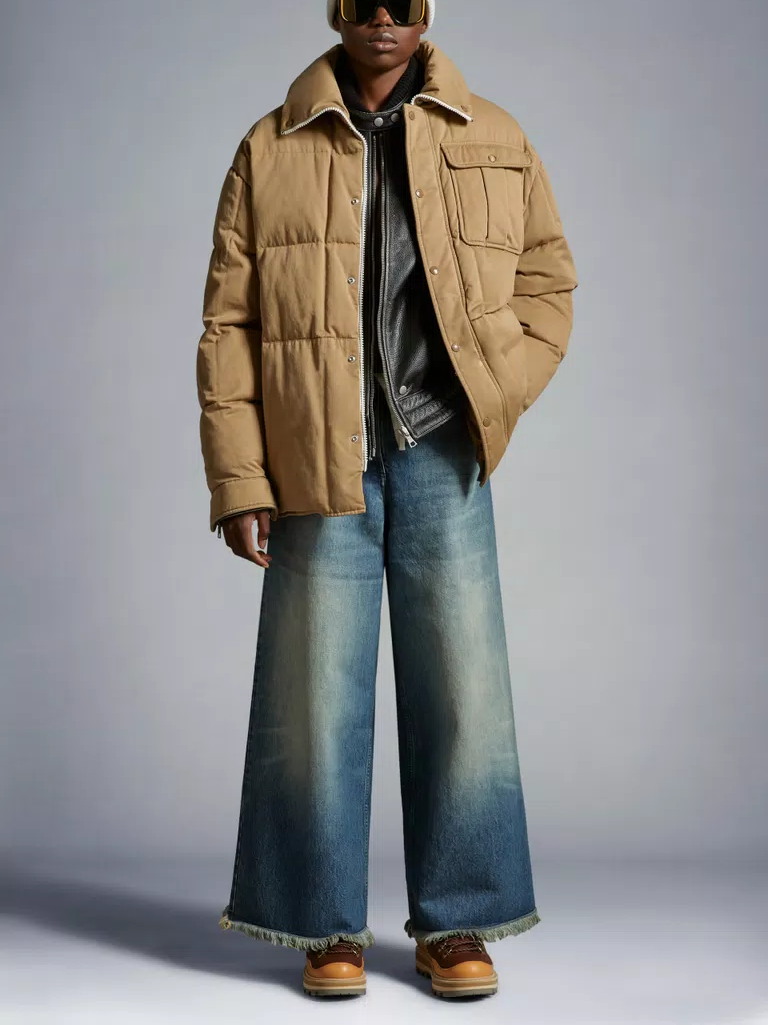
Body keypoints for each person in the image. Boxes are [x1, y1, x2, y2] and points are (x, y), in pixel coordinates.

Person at [196, 0, 577, 1000]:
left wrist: (494, 394)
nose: (379, 17)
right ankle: (324, 921)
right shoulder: (270, 146)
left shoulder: (493, 135)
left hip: (441, 452)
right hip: (316, 458)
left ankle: (458, 919)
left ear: (428, 10)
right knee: (313, 697)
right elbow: (229, 325)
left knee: (464, 692)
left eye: (401, 0)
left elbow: (547, 282)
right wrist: (241, 476)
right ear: (333, 7)